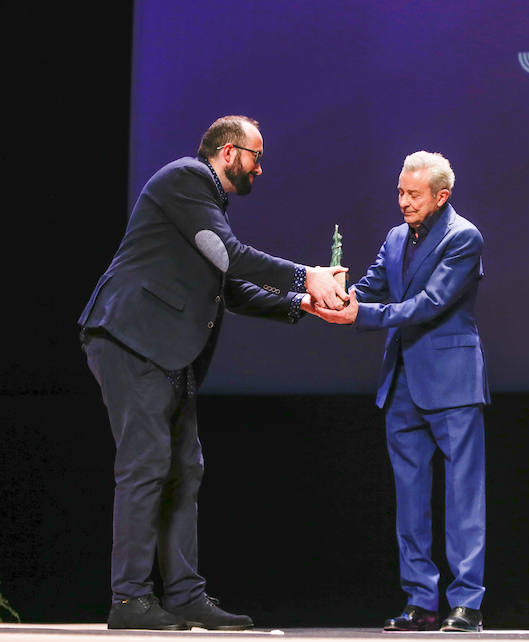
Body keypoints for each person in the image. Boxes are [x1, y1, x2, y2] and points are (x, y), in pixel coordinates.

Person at [78, 115, 348, 631]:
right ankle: (130, 599)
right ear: (228, 153)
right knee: (147, 463)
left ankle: (182, 595)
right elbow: (230, 256)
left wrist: (302, 303)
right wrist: (305, 273)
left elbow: (228, 286)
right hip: (130, 337)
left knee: (185, 466)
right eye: (256, 156)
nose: (260, 168)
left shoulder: (207, 202)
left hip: (166, 350)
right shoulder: (187, 178)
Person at [314, 151, 488, 632]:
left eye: (414, 194)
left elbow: (430, 304)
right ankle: (420, 602)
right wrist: (336, 297)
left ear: (441, 196)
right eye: (400, 192)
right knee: (410, 501)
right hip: (402, 384)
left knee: (462, 498)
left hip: (452, 383)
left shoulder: (463, 237)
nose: (404, 202)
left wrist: (362, 316)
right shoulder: (395, 237)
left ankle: (466, 604)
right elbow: (372, 287)